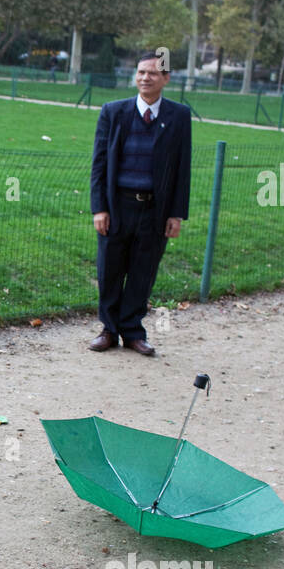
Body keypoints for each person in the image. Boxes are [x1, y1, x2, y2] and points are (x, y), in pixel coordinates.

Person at [88, 50, 191, 357]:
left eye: (153, 73)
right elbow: (99, 165)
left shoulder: (178, 116)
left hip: (154, 210)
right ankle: (108, 329)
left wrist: (176, 214)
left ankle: (133, 331)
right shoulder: (113, 112)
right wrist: (99, 208)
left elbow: (182, 168)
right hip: (117, 206)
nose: (146, 78)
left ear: (166, 79)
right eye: (141, 72)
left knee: (143, 271)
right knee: (110, 269)